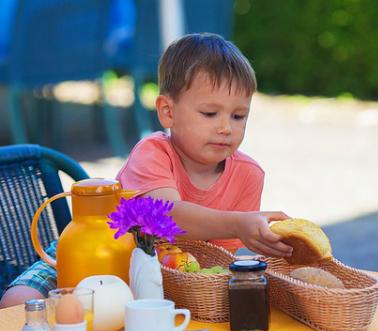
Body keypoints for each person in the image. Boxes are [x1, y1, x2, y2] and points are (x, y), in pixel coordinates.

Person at [0, 33, 292, 308]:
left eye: (239, 116)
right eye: (209, 113)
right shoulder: (153, 152)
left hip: (166, 278)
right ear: (168, 111)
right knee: (20, 301)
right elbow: (164, 215)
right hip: (96, 252)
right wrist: (238, 223)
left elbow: (215, 260)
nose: (226, 127)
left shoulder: (248, 175)